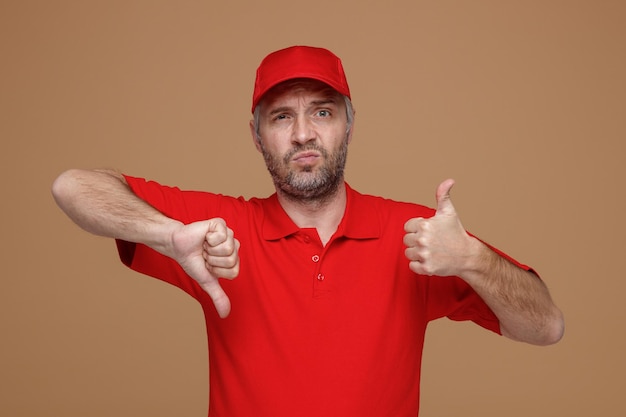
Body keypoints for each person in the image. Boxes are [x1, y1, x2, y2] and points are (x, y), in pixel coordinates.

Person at [52, 45, 564, 417]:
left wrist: (473, 258)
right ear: (257, 136)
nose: (303, 133)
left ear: (349, 123)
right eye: (281, 116)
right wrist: (166, 235)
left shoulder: (415, 233)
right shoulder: (216, 231)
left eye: (322, 111)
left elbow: (546, 328)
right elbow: (72, 186)